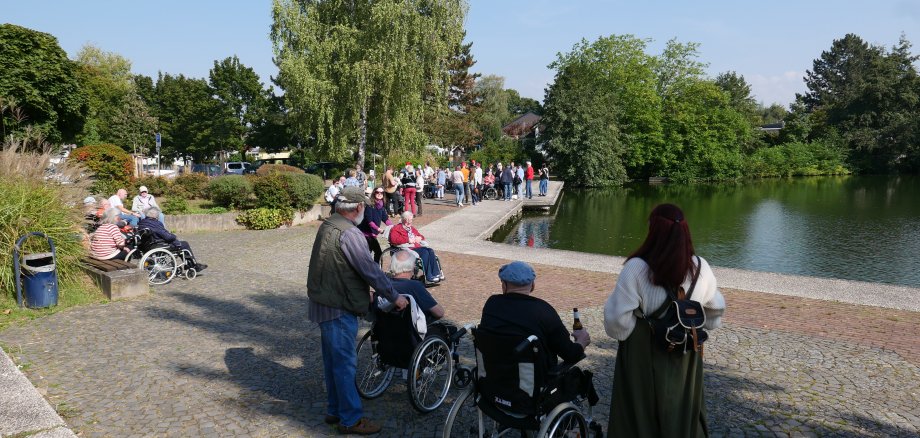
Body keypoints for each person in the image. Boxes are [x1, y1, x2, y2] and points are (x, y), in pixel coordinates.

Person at [603, 204, 725, 437]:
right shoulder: (700, 267)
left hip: (643, 351)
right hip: (686, 351)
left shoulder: (637, 268)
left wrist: (637, 328)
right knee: (682, 406)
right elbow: (715, 312)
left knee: (639, 412)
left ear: (653, 230)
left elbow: (616, 323)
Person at [307, 186, 408, 435]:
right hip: (338, 306)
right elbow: (369, 269)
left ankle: (335, 409)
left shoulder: (328, 225)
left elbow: (340, 265)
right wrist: (394, 296)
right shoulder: (350, 233)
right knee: (344, 365)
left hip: (323, 302)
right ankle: (350, 419)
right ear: (359, 208)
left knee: (333, 362)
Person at [480, 261, 590, 371]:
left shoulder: (492, 304)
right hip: (531, 384)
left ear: (504, 285)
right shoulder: (543, 310)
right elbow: (570, 354)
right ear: (532, 285)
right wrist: (581, 341)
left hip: (492, 378)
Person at [137, 208, 208, 272]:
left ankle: (189, 265)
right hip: (157, 245)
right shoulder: (156, 224)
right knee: (184, 244)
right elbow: (167, 237)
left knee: (180, 244)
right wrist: (174, 236)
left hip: (147, 246)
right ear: (156, 216)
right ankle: (193, 265)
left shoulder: (142, 222)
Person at [387, 249, 445, 321]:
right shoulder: (414, 286)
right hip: (410, 328)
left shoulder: (384, 283)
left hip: (386, 326)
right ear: (412, 267)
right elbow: (439, 313)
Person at [388, 211, 444, 283]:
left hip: (416, 246)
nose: (410, 222)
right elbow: (394, 240)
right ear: (404, 220)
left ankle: (436, 274)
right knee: (425, 253)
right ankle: (429, 276)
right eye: (408, 220)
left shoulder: (411, 228)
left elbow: (421, 236)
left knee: (430, 250)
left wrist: (419, 238)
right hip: (407, 248)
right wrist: (408, 239)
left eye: (411, 220)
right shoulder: (396, 229)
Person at [358, 188, 392, 263]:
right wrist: (378, 229)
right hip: (366, 233)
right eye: (377, 192)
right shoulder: (370, 205)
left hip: (372, 234)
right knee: (377, 252)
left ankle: (369, 270)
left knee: (369, 252)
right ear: (374, 193)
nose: (380, 194)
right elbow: (369, 221)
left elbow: (385, 218)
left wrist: (392, 227)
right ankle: (373, 270)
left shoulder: (381, 206)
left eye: (381, 193)